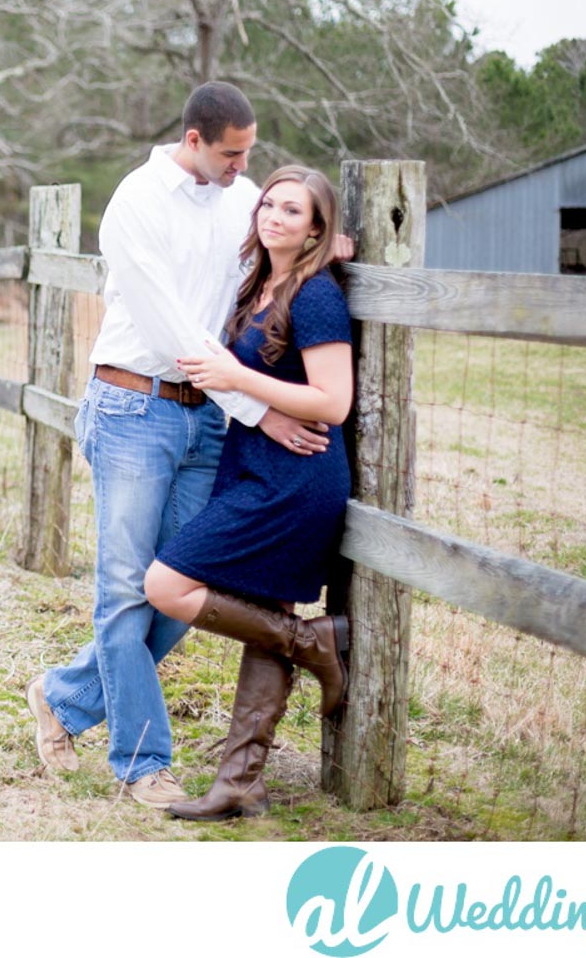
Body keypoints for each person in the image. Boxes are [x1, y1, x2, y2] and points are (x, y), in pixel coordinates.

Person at [23, 82, 339, 809]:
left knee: (189, 588)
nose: (244, 168)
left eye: (250, 153)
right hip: (135, 403)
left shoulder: (240, 194)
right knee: (126, 591)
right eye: (233, 153)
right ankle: (142, 763)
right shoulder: (136, 203)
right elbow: (172, 330)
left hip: (205, 420)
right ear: (194, 141)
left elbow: (284, 238)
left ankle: (62, 697)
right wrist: (259, 412)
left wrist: (336, 242)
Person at [144, 164, 353, 822]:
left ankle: (311, 640)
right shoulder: (259, 284)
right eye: (268, 204)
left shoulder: (314, 295)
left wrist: (239, 376)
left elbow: (334, 400)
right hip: (255, 465)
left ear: (317, 227)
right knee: (265, 612)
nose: (274, 217)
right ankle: (240, 781)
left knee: (166, 584)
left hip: (295, 480)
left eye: (294, 211)